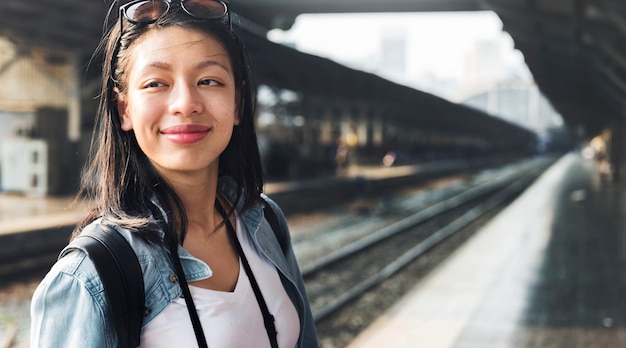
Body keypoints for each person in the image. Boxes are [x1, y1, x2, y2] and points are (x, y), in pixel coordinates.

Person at [30, 0, 318, 346]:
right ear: (124, 110)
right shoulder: (93, 276)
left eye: (209, 80)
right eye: (156, 83)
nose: (185, 102)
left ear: (238, 102)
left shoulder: (264, 221)